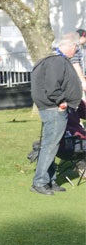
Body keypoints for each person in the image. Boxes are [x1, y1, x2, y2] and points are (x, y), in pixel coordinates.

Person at [29, 32, 81, 195]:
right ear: (70, 45)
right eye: (76, 47)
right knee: (50, 145)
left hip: (52, 107)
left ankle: (49, 180)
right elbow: (52, 85)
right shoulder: (56, 61)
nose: (77, 50)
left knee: (52, 144)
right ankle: (40, 182)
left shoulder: (53, 60)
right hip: (54, 108)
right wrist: (61, 102)